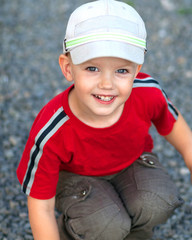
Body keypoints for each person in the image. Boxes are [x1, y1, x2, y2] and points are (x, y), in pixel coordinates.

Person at [17, 0, 192, 239]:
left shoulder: (148, 93)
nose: (107, 84)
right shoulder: (52, 129)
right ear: (68, 68)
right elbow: (40, 206)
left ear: (136, 69)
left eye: (121, 70)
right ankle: (73, 231)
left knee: (157, 201)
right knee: (106, 223)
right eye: (92, 68)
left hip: (129, 163)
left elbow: (184, 139)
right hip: (75, 178)